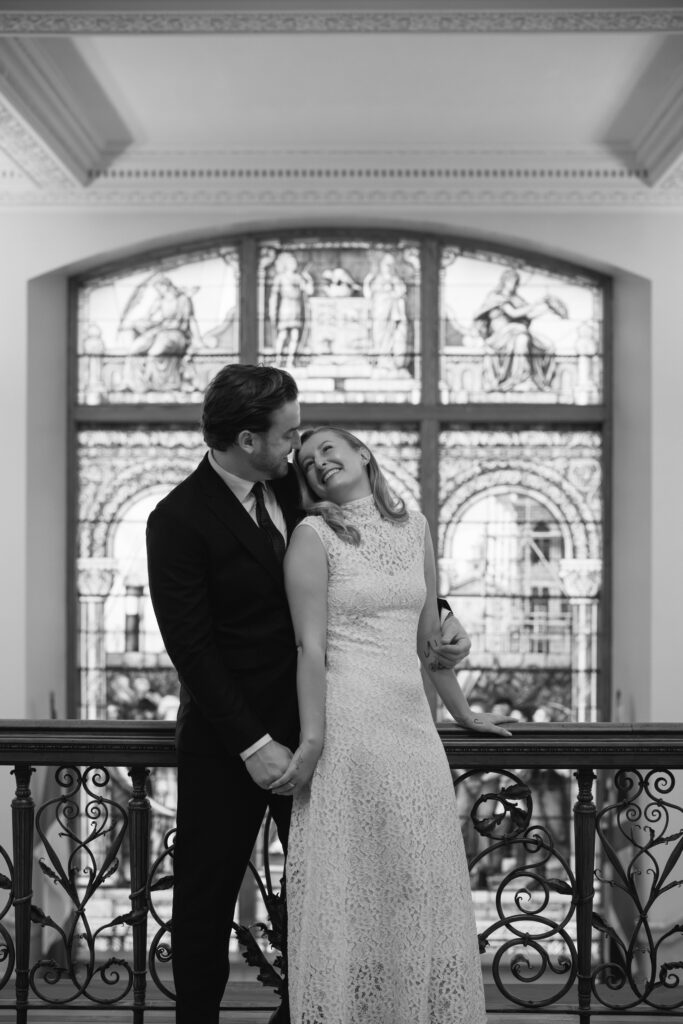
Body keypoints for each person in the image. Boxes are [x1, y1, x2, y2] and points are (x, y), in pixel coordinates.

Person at [145, 366, 472, 1024]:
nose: (300, 448)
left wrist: (439, 611)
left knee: (327, 901)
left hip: (327, 735)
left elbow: (371, 559)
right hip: (228, 742)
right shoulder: (177, 519)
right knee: (204, 905)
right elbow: (193, 649)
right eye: (288, 434)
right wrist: (252, 744)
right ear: (246, 439)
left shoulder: (296, 489)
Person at [271, 426, 516, 1024]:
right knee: (353, 887)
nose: (319, 462)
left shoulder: (416, 528)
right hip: (348, 725)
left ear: (363, 454)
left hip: (412, 728)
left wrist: (462, 713)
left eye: (329, 449)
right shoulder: (312, 536)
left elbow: (429, 637)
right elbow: (310, 649)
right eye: (306, 462)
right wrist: (312, 739)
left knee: (419, 880)